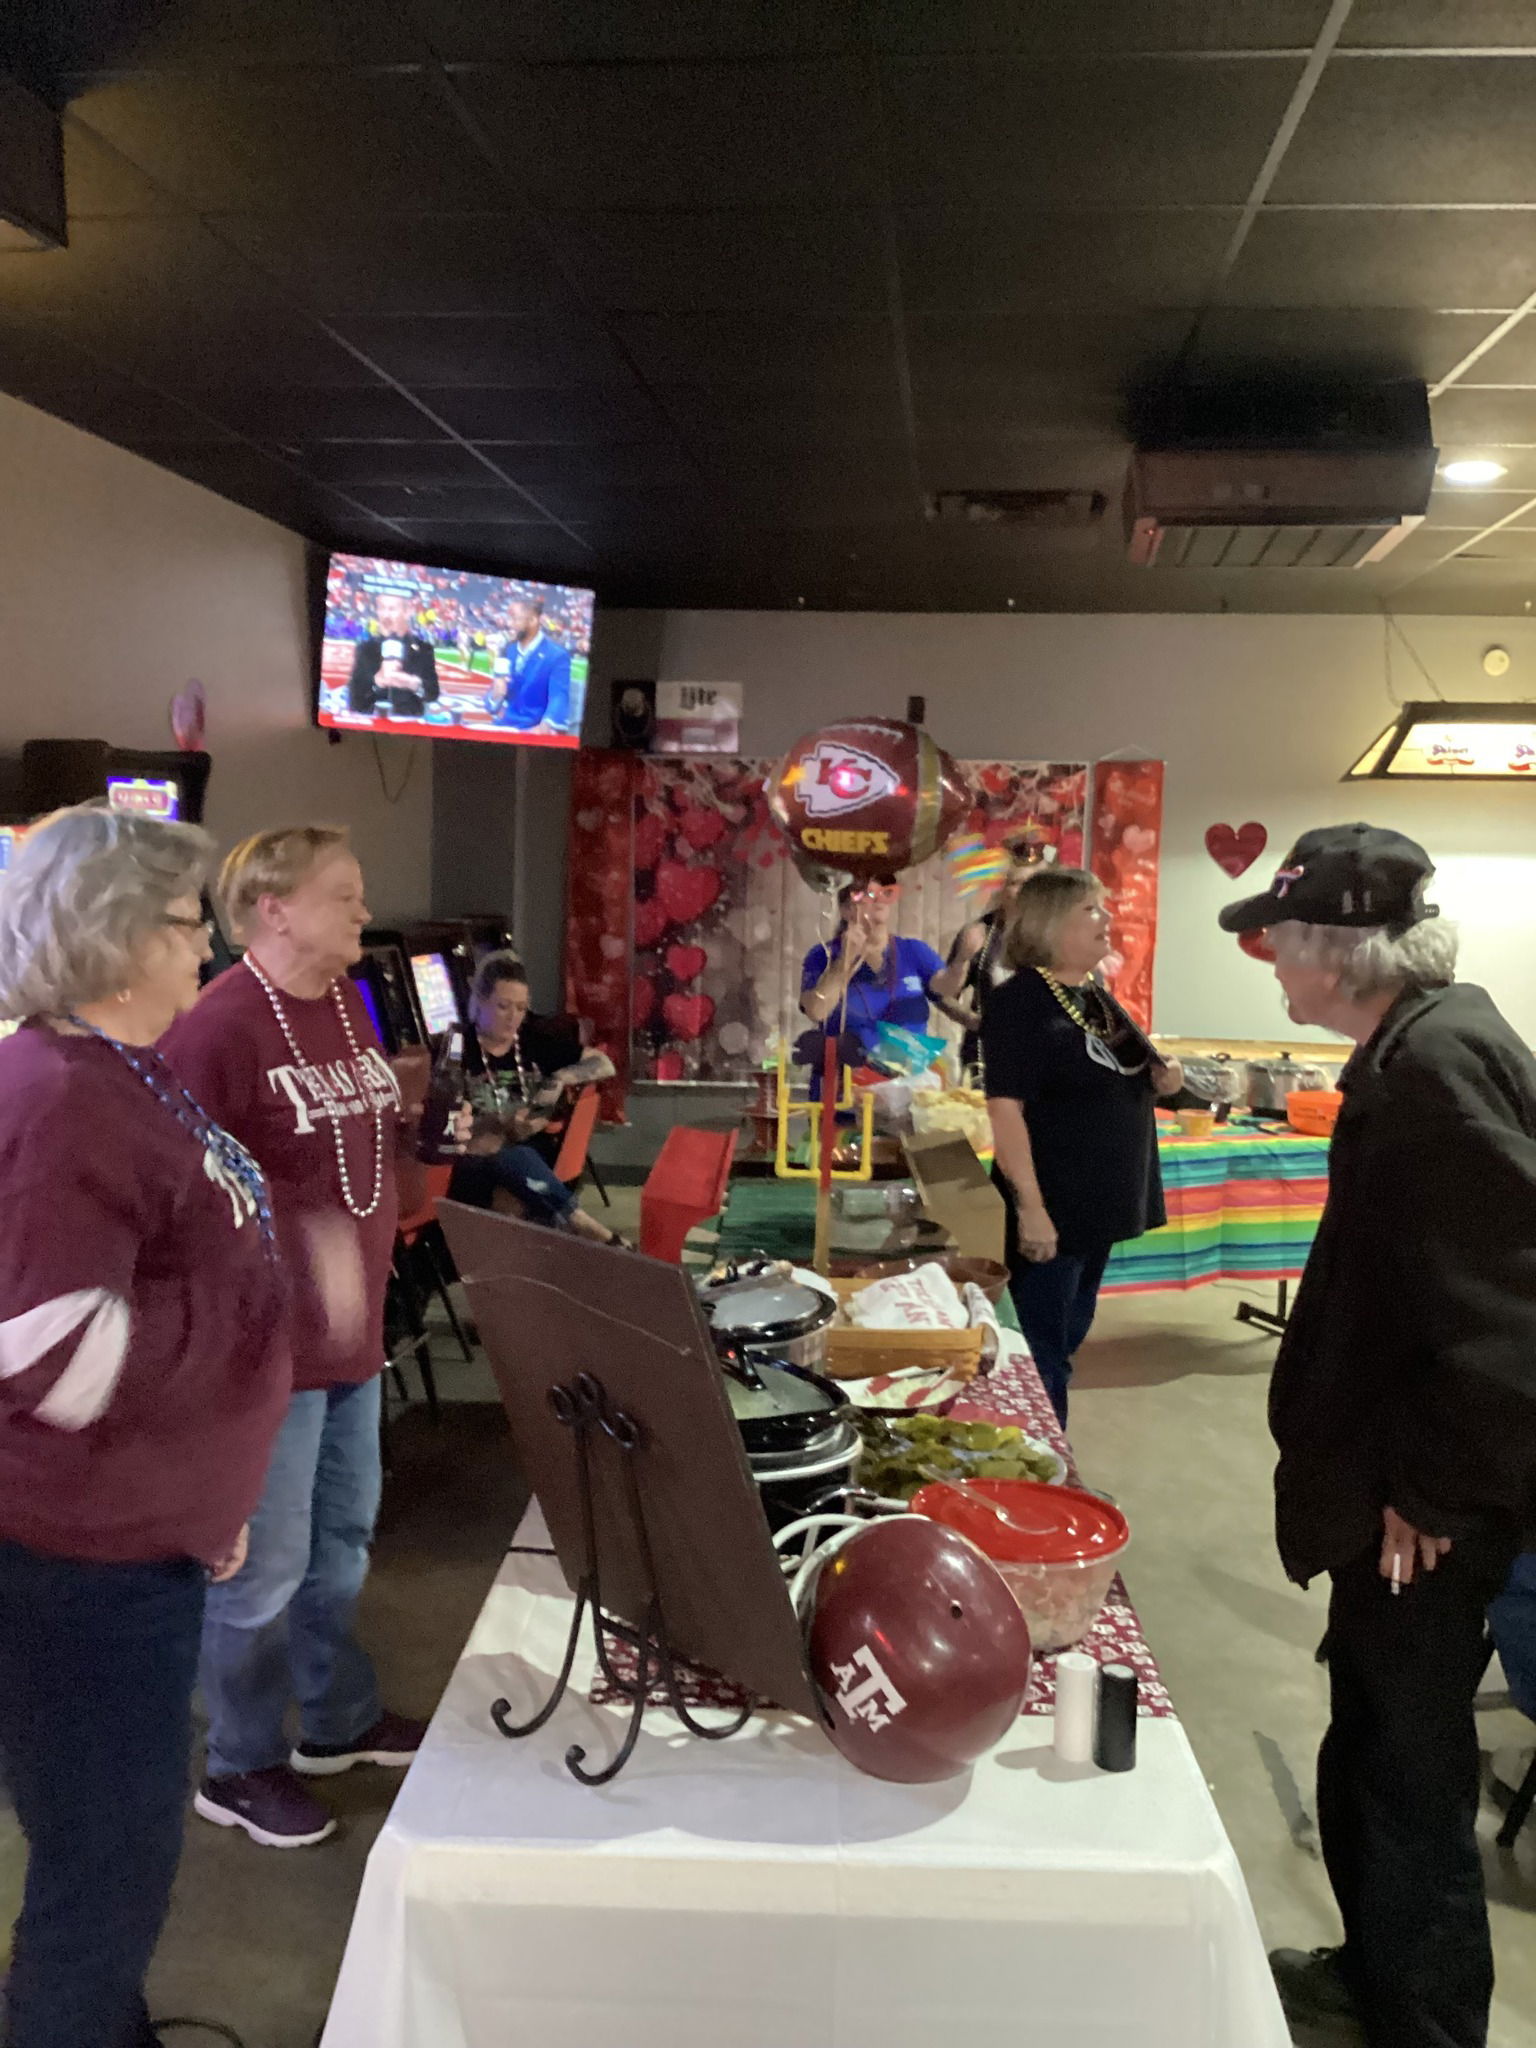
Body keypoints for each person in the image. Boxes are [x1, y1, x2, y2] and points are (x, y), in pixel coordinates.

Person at [1218, 823, 1536, 2048]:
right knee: (1371, 1747)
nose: (1268, 964)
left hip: (1430, 1517)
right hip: (1397, 1491)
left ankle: (1428, 2021)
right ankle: (1373, 1971)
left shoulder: (1434, 1066)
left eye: (1275, 940)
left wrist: (1437, 1493)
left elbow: (1509, 1323)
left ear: (1338, 950)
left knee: (1407, 1775)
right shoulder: (1418, 1040)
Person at [0, 805, 287, 2048]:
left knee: (104, 1855)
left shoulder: (109, 1068)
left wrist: (203, 1495)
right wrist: (234, 1351)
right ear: (116, 937)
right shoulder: (63, 1094)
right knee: (104, 1874)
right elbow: (51, 1356)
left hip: (132, 1541)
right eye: (187, 926)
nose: (207, 954)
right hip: (77, 1564)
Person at [160, 827, 430, 1850]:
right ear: (274, 906)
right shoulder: (220, 1025)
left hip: (352, 1342)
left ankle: (337, 1719)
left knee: (340, 1549)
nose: (364, 912)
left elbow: (359, 1158)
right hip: (264, 1353)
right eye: (345, 895)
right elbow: (177, 1193)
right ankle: (237, 1762)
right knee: (261, 1570)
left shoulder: (345, 1007)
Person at [982, 867, 1182, 1425]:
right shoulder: (1020, 1001)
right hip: (1058, 1205)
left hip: (1100, 1206)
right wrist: (1032, 1209)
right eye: (1091, 909)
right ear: (1050, 924)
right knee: (1041, 1354)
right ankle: (1046, 1480)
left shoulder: (1092, 994)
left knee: (1065, 1341)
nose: (1107, 919)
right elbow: (1006, 1109)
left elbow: (1131, 1073)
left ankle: (1046, 1471)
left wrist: (1166, 1082)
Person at [447, 951, 622, 1244]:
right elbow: (445, 1116)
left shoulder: (533, 1039)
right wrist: (496, 1124)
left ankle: (569, 1241)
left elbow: (605, 1064)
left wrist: (558, 1080)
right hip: (475, 1159)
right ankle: (589, 1231)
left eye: (520, 1008)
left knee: (516, 1176)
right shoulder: (456, 1044)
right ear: (479, 1000)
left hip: (531, 1156)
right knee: (508, 1167)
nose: (513, 1017)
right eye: (503, 1006)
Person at [799, 874, 945, 1080]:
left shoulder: (914, 951)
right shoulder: (822, 955)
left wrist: (963, 959)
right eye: (867, 894)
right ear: (846, 910)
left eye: (885, 892)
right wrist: (842, 963)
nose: (878, 899)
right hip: (843, 1090)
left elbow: (947, 992)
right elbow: (816, 1011)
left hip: (904, 1088)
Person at [931, 843, 1049, 1071]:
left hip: (1042, 1060)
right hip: (986, 1058)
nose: (1024, 891)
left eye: (1031, 884)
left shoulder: (1056, 936)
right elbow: (943, 996)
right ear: (1002, 889)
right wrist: (975, 1021)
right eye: (1016, 883)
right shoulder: (980, 933)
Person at [346, 587, 440, 717]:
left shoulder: (423, 649)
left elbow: (432, 693)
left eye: (392, 609)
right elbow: (355, 700)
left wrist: (413, 684)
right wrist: (377, 682)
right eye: (382, 608)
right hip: (372, 725)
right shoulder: (365, 649)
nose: (386, 615)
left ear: (407, 612)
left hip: (409, 725)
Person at [489, 596, 573, 733]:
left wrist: (544, 727)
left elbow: (559, 696)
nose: (511, 624)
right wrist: (495, 694)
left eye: (516, 619)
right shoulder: (508, 650)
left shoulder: (557, 655)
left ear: (533, 620)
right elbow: (491, 704)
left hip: (533, 729)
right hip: (505, 726)